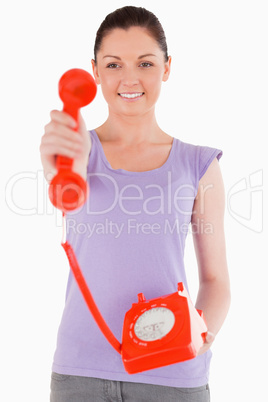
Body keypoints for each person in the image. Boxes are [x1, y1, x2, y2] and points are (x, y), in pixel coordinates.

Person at [40, 6, 231, 402]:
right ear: (94, 71)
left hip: (171, 375)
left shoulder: (198, 165)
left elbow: (216, 280)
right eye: (113, 64)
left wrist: (197, 343)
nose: (129, 78)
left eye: (145, 62)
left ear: (166, 67)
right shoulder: (75, 151)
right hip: (79, 375)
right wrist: (60, 168)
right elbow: (63, 202)